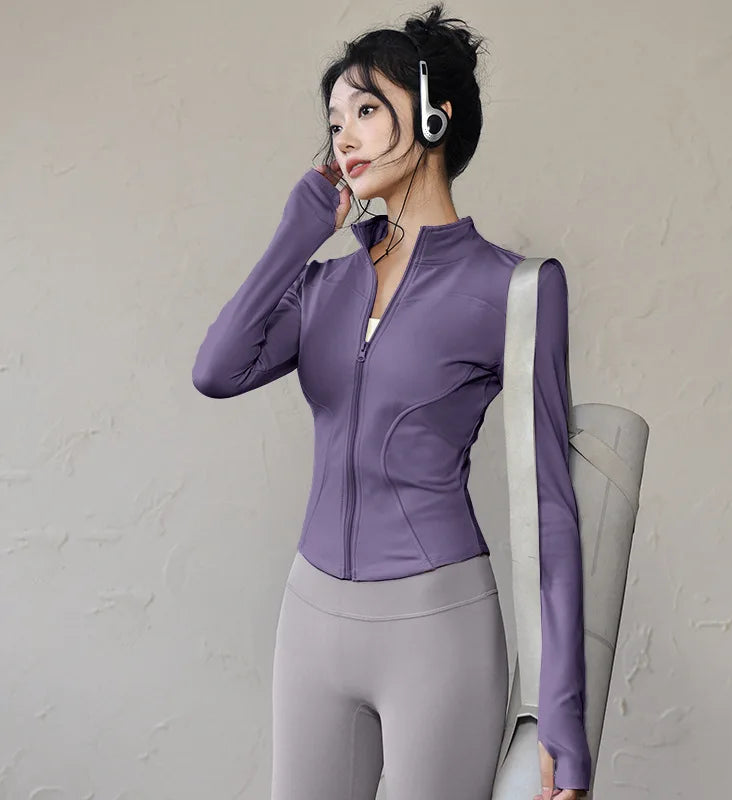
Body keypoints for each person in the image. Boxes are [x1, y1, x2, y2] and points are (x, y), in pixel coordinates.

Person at [191, 4, 591, 798]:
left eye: (367, 109)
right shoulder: (322, 286)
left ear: (435, 117)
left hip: (436, 629)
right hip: (310, 622)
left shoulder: (514, 289)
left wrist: (562, 718)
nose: (343, 136)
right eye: (335, 120)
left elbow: (552, 508)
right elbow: (216, 369)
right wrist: (297, 233)